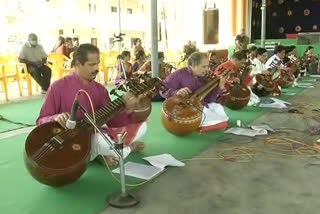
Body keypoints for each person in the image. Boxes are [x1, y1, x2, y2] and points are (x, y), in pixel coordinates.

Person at [36, 44, 146, 166]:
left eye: (97, 64)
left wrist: (128, 109)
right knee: (100, 142)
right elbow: (41, 120)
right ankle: (126, 149)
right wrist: (55, 118)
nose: (96, 68)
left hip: (94, 135)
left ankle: (100, 153)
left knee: (143, 126)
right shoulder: (57, 87)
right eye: (91, 65)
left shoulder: (100, 90)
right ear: (78, 64)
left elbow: (112, 121)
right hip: (68, 142)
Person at [161, 52, 225, 105]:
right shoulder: (179, 74)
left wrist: (220, 87)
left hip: (199, 111)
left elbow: (210, 100)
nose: (207, 70)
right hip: (179, 112)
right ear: (193, 65)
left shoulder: (205, 78)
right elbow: (162, 89)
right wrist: (176, 93)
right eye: (204, 67)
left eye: (208, 66)